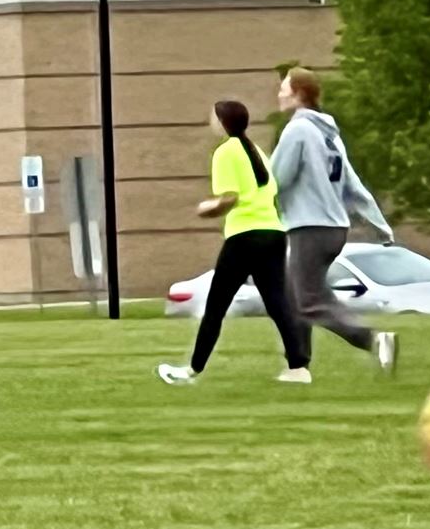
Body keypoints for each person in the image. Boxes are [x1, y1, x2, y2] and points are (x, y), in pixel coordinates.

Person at [158, 100, 309, 386]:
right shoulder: (258, 153)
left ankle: (191, 371)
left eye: (213, 117)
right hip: (274, 233)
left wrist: (208, 209)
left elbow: (230, 197)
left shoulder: (225, 152)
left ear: (222, 121)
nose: (210, 122)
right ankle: (299, 368)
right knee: (278, 303)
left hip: (245, 236)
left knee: (216, 305)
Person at [270, 67, 399, 379]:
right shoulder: (329, 136)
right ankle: (298, 366)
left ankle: (375, 340)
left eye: (284, 88)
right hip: (334, 229)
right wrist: (380, 225)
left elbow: (275, 179)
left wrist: (247, 201)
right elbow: (353, 187)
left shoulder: (298, 129)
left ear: (299, 94)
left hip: (309, 228)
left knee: (307, 302)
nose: (279, 94)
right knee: (298, 293)